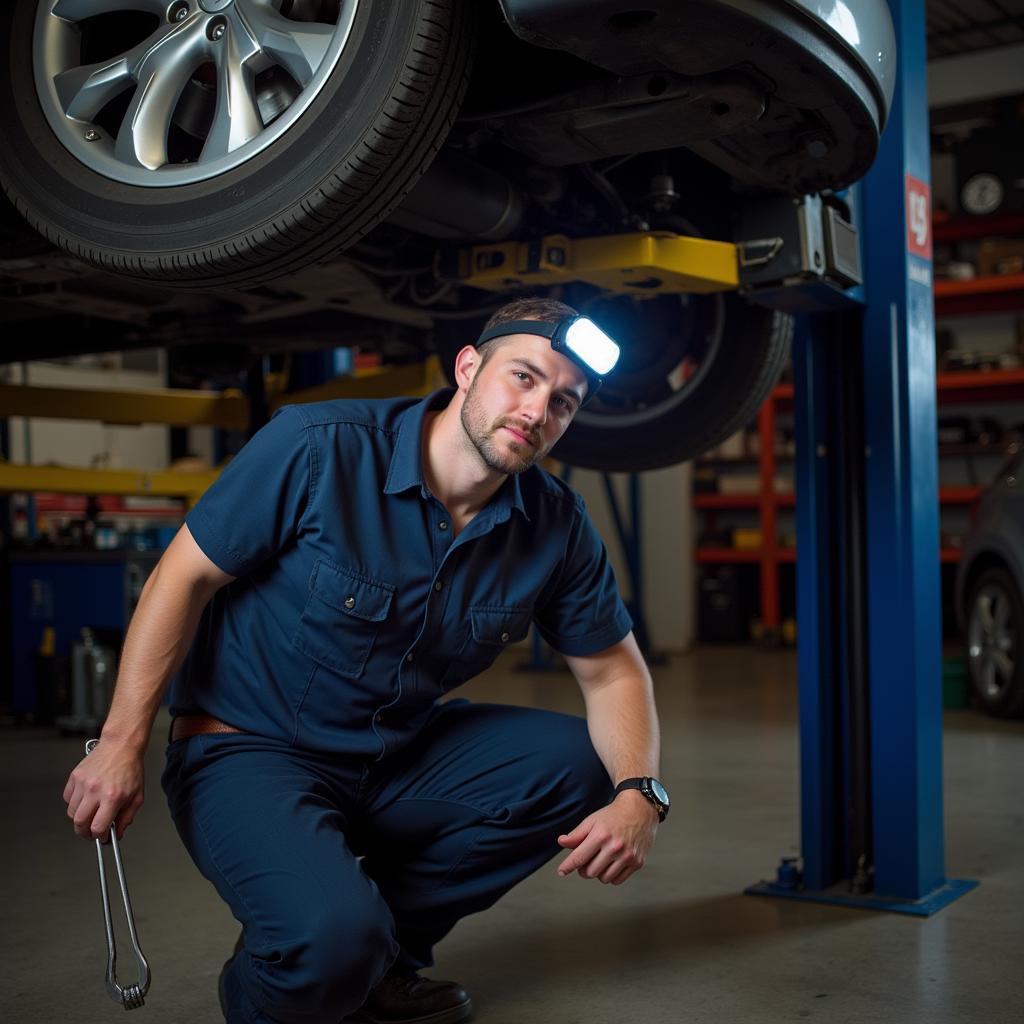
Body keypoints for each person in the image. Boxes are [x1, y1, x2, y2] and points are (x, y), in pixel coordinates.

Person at [62, 296, 668, 1024]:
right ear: (468, 368)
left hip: (395, 756)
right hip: (250, 751)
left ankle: (382, 961)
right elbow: (180, 578)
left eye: (565, 402)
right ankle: (313, 966)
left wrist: (641, 793)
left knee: (582, 766)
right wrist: (123, 740)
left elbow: (613, 671)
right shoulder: (320, 446)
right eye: (524, 378)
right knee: (326, 938)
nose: (538, 411)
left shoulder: (555, 526)